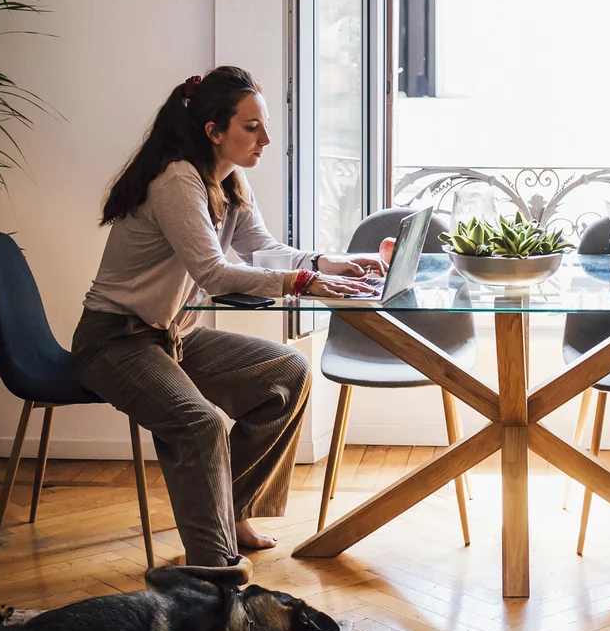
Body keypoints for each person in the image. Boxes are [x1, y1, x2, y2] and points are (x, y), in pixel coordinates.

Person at [72, 66, 386, 568]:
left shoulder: (227, 178)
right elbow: (216, 274)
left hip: (172, 335)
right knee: (200, 425)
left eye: (263, 125)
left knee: (288, 373)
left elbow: (260, 248)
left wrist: (326, 262)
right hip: (114, 341)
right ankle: (213, 572)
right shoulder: (177, 180)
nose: (266, 138)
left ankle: (232, 511)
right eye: (251, 126)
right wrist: (302, 283)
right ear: (213, 132)